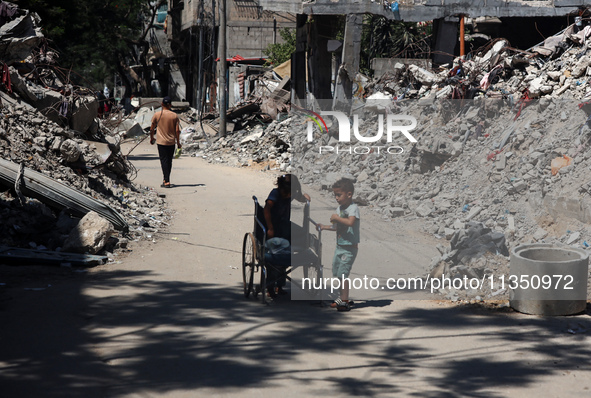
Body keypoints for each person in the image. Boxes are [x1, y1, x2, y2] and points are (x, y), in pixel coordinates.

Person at [263, 174, 310, 297]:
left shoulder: (291, 192)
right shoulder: (276, 193)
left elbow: (299, 197)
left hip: (284, 226)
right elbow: (267, 209)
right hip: (274, 226)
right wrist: (270, 228)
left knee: (285, 255)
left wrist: (305, 198)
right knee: (273, 260)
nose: (289, 196)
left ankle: (280, 285)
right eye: (288, 193)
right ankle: (270, 287)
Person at [319, 178, 360, 312]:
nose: (336, 198)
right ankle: (342, 297)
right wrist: (325, 226)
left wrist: (336, 217)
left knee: (343, 274)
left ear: (349, 194)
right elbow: (338, 226)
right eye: (335, 195)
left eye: (339, 195)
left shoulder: (353, 208)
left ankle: (344, 301)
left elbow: (350, 223)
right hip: (340, 246)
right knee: (337, 272)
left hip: (349, 247)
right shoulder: (340, 208)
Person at [150, 96, 182, 188]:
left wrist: (152, 138)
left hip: (161, 142)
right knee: (169, 161)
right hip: (171, 142)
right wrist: (178, 142)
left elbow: (152, 129)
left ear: (162, 104)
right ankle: (166, 179)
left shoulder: (157, 114)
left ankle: (166, 180)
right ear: (170, 105)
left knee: (164, 161)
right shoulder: (174, 115)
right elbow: (177, 131)